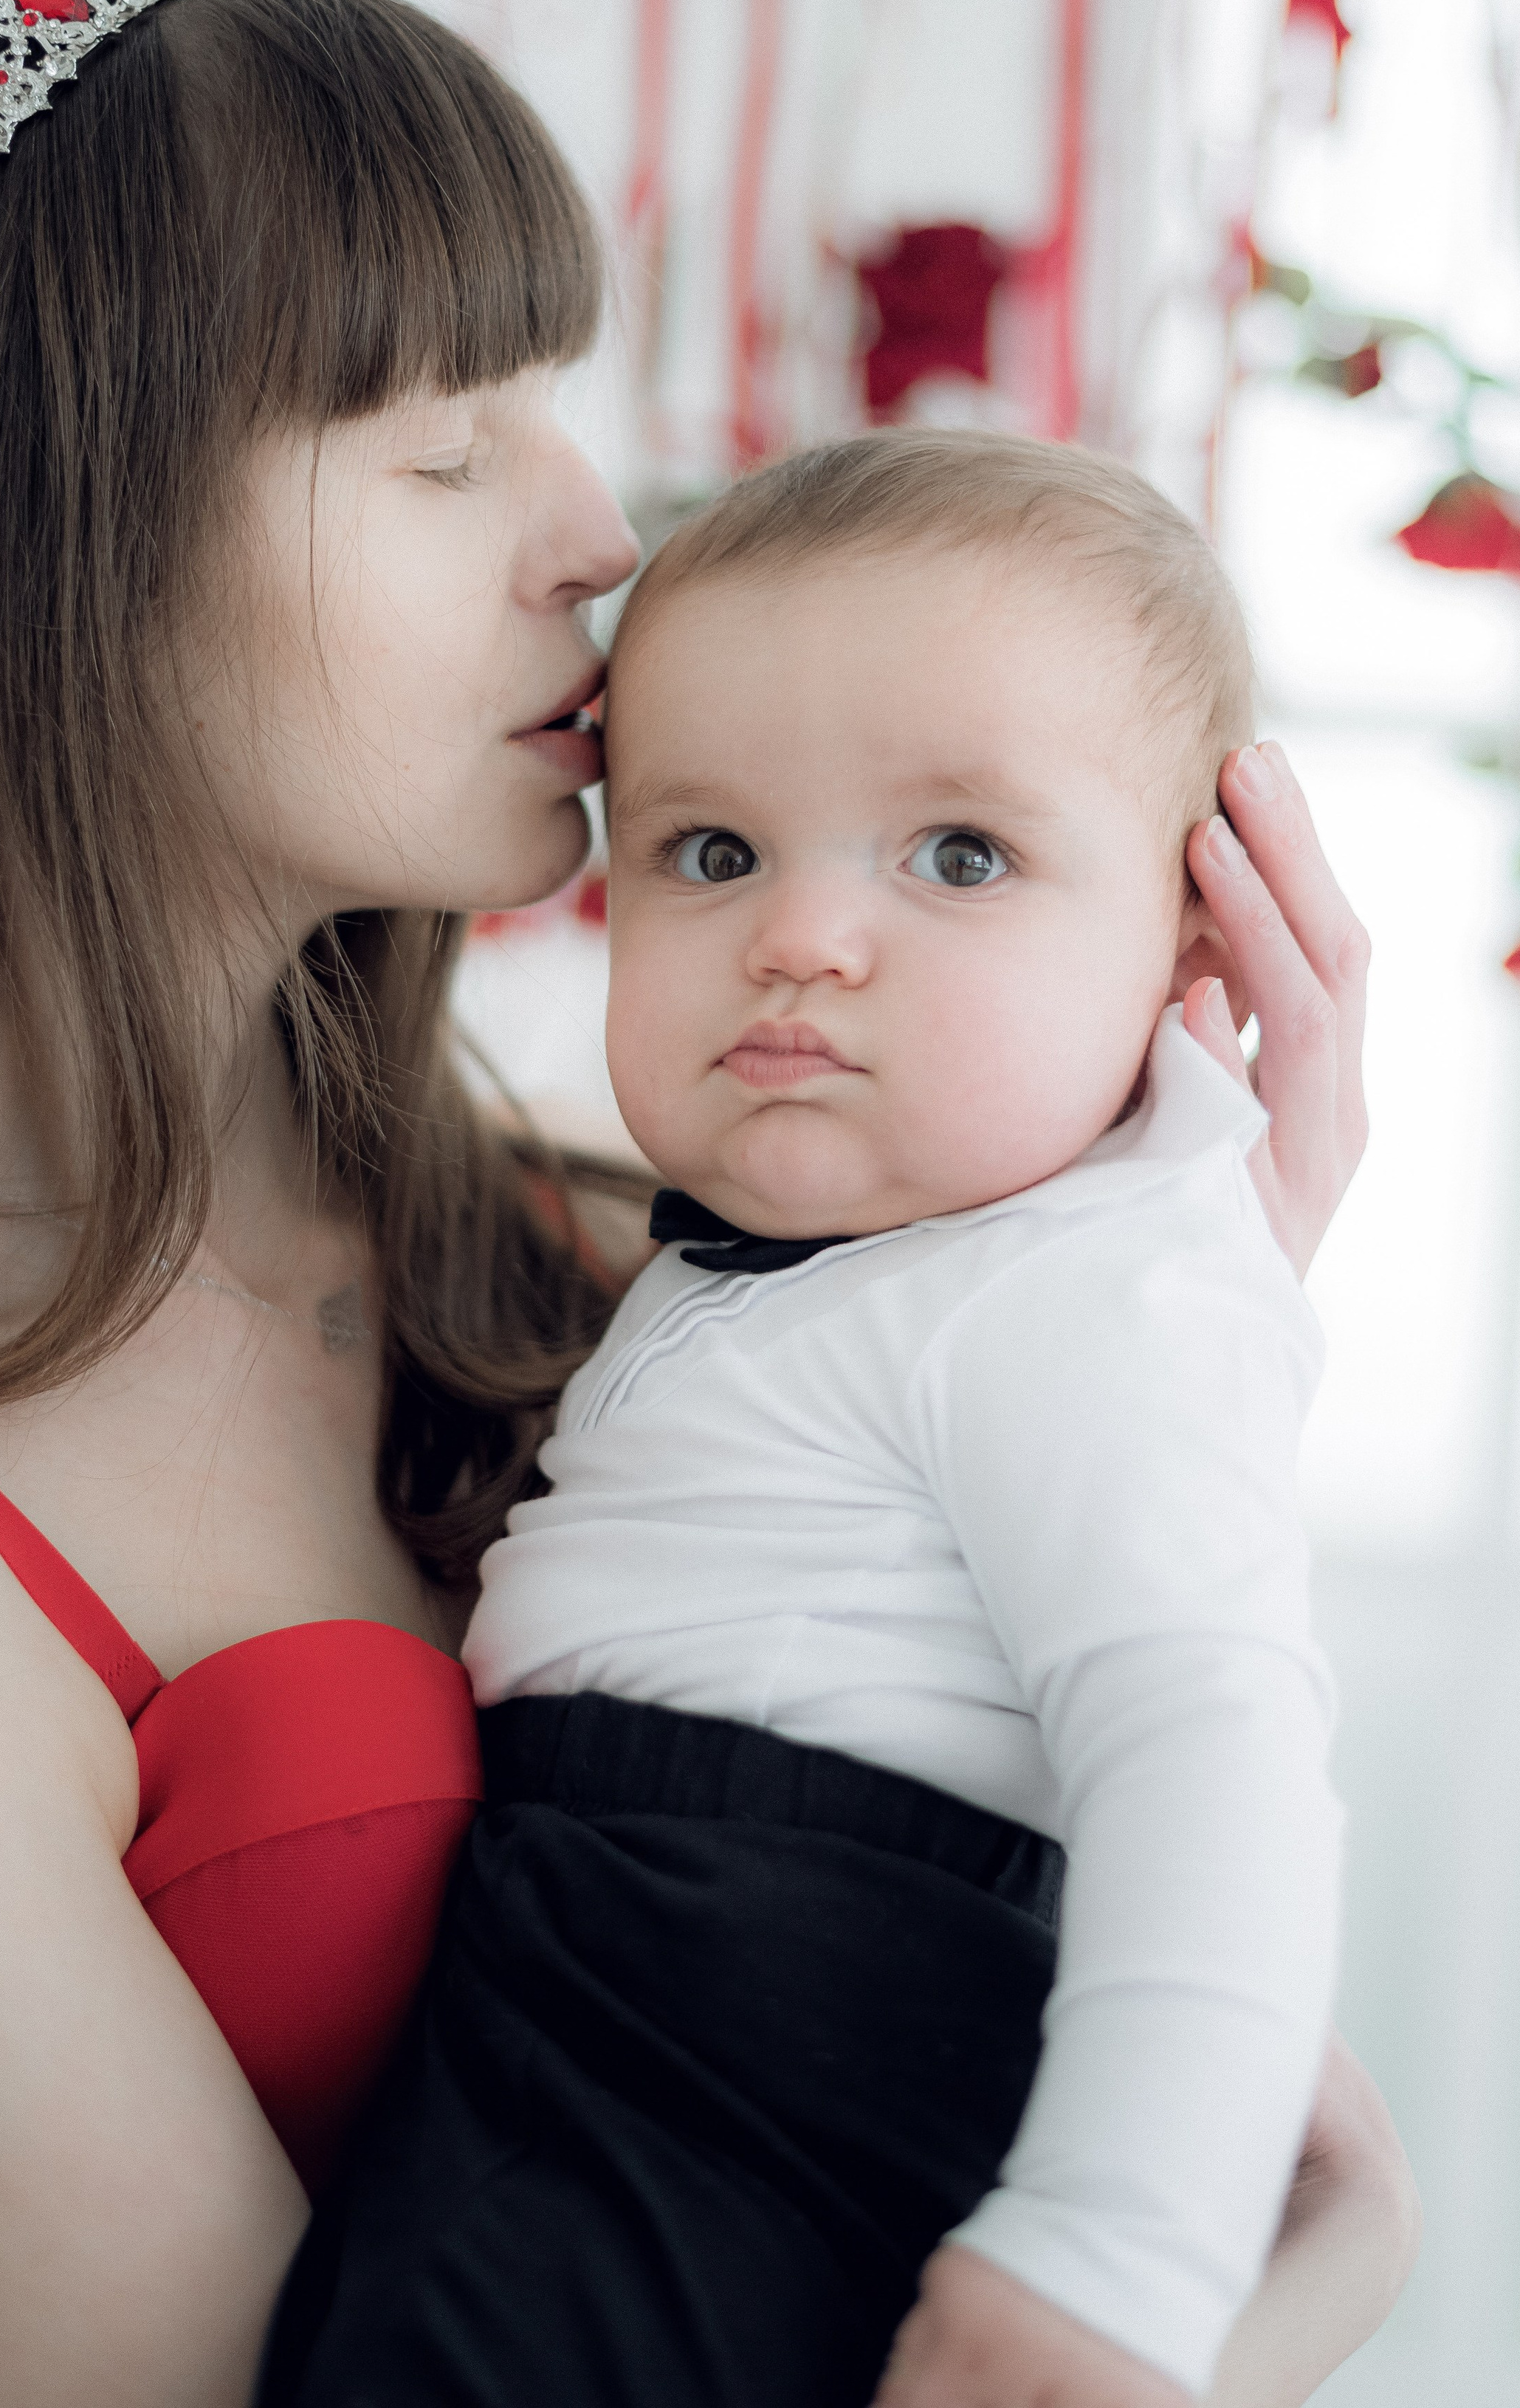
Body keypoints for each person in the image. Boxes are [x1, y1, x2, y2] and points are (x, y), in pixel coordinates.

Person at [0, 0, 1403, 2408]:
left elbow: (1088, 1868)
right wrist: (1272, 2318)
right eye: (438, 439)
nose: (598, 534)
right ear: (15, 553)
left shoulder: (620, 1259)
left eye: (557, 411)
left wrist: (1164, 1250)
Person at [261, 432, 1375, 2408]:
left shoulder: (1086, 1292)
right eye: (711, 849)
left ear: (1196, 939)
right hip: (621, 1983)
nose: (797, 934)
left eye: (960, 854)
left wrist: (1115, 2255)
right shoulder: (834, 1254)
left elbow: (1213, 1748)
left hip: (795, 2006)